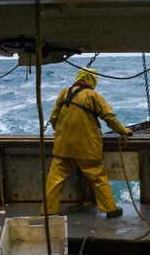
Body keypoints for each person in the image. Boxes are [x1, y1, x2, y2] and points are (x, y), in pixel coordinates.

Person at [41, 67, 133, 218]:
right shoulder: (93, 96)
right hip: (87, 148)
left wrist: (60, 133)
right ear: (93, 80)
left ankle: (47, 211)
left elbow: (53, 118)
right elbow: (110, 118)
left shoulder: (64, 93)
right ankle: (110, 210)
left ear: (78, 78)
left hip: (63, 146)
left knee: (54, 179)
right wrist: (124, 131)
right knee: (97, 177)